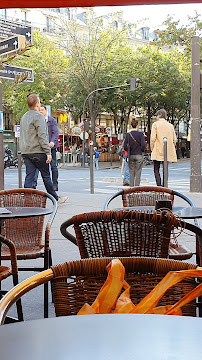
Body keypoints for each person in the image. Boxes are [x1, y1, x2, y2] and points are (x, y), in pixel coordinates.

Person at [20, 94, 68, 205]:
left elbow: (22, 135)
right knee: (46, 175)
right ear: (37, 104)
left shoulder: (24, 117)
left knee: (29, 177)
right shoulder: (39, 116)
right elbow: (42, 135)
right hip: (38, 151)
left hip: (26, 151)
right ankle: (56, 198)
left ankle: (26, 201)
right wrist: (48, 152)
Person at [33, 104, 60, 191]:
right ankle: (33, 184)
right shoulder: (36, 120)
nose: (40, 111)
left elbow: (55, 132)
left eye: (42, 110)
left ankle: (55, 184)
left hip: (50, 147)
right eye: (39, 110)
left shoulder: (52, 120)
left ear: (46, 111)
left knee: (53, 166)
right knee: (36, 166)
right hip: (39, 147)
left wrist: (52, 142)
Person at [150, 109, 177, 186]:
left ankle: (159, 184)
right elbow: (174, 139)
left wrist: (152, 148)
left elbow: (152, 139)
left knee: (156, 169)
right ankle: (165, 184)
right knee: (165, 168)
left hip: (158, 149)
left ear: (159, 115)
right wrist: (172, 147)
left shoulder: (155, 124)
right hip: (167, 150)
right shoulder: (170, 126)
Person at [124, 118, 146, 187]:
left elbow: (125, 146)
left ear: (131, 126)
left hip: (131, 155)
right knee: (138, 172)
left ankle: (131, 188)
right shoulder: (141, 134)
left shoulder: (128, 134)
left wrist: (128, 150)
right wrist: (142, 150)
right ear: (137, 126)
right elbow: (143, 145)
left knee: (131, 172)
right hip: (139, 154)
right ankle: (137, 187)